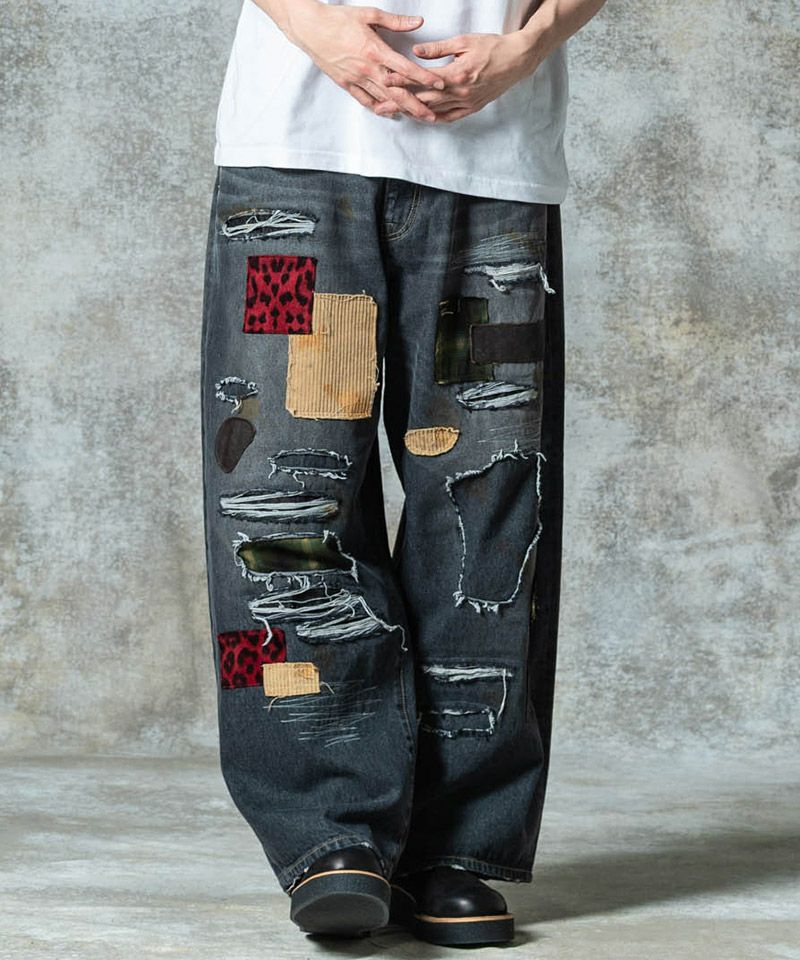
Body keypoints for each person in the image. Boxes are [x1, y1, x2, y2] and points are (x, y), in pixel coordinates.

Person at [200, 0, 605, 946]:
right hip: (291, 159)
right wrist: (317, 30)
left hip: (491, 163)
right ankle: (326, 834)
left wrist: (528, 45)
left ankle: (458, 845)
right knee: (272, 505)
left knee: (492, 502)